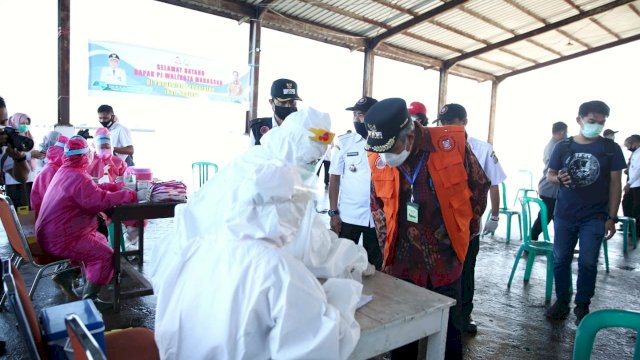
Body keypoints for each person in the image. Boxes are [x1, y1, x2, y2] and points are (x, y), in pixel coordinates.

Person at [151, 107, 368, 359]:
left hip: (213, 278)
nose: (310, 169)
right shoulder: (277, 268)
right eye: (309, 161)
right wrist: (347, 287)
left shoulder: (198, 248)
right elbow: (316, 344)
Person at [365, 98, 489, 359]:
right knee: (403, 332)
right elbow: (377, 205)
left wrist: (466, 232)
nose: (385, 157)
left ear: (409, 135)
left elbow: (479, 185)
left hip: (445, 259)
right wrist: (385, 254)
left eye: (391, 148)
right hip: (403, 261)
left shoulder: (450, 146)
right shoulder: (378, 153)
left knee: (449, 332)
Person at [545, 100, 626, 325]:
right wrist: (557, 178)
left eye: (601, 123)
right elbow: (550, 174)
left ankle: (582, 305)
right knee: (560, 259)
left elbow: (615, 184)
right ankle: (562, 300)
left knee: (588, 261)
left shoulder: (611, 149)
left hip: (596, 216)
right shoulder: (563, 147)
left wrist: (612, 216)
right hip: (565, 214)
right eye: (592, 121)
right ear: (579, 120)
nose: (597, 126)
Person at [35, 136, 137, 306]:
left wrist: (114, 187)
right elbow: (97, 201)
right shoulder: (77, 176)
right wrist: (127, 194)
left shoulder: (66, 171)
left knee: (101, 240)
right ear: (85, 156)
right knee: (105, 255)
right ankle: (90, 299)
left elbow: (90, 190)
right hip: (61, 238)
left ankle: (64, 276)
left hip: (54, 232)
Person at [436, 103, 505, 335]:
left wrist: (494, 214)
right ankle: (438, 318)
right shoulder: (434, 147)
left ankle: (464, 317)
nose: (446, 127)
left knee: (466, 273)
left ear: (464, 122)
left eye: (452, 122)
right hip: (440, 225)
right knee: (439, 271)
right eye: (443, 123)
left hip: (468, 226)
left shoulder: (482, 149)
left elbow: (494, 183)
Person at [328, 96, 383, 270]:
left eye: (361, 115)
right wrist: (333, 212)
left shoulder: (386, 144)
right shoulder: (344, 143)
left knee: (376, 266)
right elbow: (334, 178)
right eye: (355, 115)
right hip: (348, 216)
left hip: (377, 218)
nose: (356, 119)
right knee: (342, 263)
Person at [531, 121, 568, 240]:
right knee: (545, 217)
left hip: (549, 188)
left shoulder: (554, 144)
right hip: (550, 188)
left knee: (551, 217)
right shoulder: (555, 146)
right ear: (562, 132)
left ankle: (560, 246)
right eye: (566, 132)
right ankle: (531, 241)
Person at [3, 113, 46, 208]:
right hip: (14, 182)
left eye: (27, 123)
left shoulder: (28, 137)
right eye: (22, 123)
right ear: (15, 122)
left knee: (29, 209)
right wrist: (31, 155)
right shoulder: (7, 138)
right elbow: (10, 156)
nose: (25, 126)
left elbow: (27, 155)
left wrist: (38, 155)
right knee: (18, 210)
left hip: (29, 179)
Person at [0, 103, 36, 205]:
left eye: (3, 123)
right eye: (22, 123)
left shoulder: (6, 146)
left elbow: (22, 177)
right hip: (12, 185)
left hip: (23, 184)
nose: (2, 128)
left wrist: (18, 158)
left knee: (23, 207)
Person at [248, 78, 301, 146]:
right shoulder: (257, 128)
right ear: (271, 102)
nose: (288, 106)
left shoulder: (302, 127)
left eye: (292, 102)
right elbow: (252, 155)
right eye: (282, 102)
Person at [30, 134, 68, 218]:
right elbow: (53, 201)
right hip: (50, 219)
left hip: (45, 218)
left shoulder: (52, 167)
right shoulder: (53, 171)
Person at [624, 135, 640, 236]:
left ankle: (637, 231)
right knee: (627, 204)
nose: (628, 148)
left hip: (637, 185)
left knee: (637, 209)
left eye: (629, 145)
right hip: (633, 184)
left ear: (635, 143)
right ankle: (631, 227)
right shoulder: (635, 153)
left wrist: (629, 183)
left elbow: (639, 169)